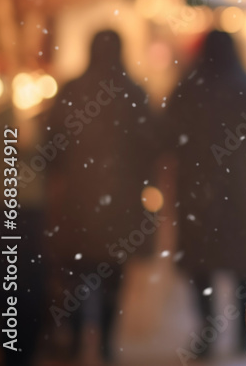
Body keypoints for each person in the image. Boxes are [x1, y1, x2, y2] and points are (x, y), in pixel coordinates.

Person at [163, 30, 246, 359]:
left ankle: (206, 330)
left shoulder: (188, 89)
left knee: (200, 265)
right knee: (244, 266)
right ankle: (240, 336)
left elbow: (168, 136)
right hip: (241, 192)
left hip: (197, 190)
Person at [43, 29, 159, 363]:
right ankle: (106, 341)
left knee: (77, 275)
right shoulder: (133, 92)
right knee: (112, 276)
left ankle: (79, 338)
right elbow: (148, 147)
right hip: (120, 203)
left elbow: (52, 145)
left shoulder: (72, 90)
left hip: (77, 201)